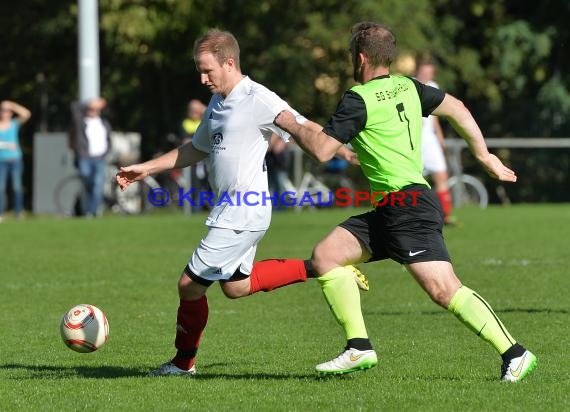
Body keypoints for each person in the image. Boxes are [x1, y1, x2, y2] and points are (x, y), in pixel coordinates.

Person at [274, 21, 536, 381]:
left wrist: (288, 121)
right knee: (326, 256)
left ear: (360, 57)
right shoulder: (409, 87)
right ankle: (358, 347)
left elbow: (320, 150)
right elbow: (457, 107)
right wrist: (484, 155)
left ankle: (515, 353)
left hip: (407, 206)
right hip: (394, 206)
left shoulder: (358, 98)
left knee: (444, 289)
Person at [116, 29, 366, 376]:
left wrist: (342, 149)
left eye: (208, 71)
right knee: (236, 287)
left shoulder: (257, 97)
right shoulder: (218, 102)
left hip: (242, 210)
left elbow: (299, 125)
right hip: (231, 209)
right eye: (199, 72)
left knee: (188, 286)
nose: (203, 79)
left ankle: (182, 363)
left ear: (229, 62)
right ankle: (320, 267)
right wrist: (146, 168)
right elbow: (196, 148)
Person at [415, 57, 454, 224]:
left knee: (441, 175)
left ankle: (446, 215)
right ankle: (414, 216)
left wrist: (439, 136)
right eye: (425, 71)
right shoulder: (408, 85)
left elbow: (435, 116)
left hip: (429, 139)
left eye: (430, 72)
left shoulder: (433, 87)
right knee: (414, 180)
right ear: (417, 70)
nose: (427, 75)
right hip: (415, 139)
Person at [69, 97, 112, 217]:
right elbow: (74, 106)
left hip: (100, 158)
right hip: (85, 158)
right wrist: (89, 104)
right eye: (91, 109)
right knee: (87, 184)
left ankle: (92, 212)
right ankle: (86, 209)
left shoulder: (103, 122)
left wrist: (106, 152)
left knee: (97, 185)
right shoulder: (81, 121)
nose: (92, 111)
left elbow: (108, 140)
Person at [0, 100, 31, 222]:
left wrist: (11, 105)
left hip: (15, 159)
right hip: (1, 161)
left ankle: (18, 212)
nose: (5, 113)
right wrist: (7, 145)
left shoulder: (14, 124)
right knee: (1, 188)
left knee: (17, 187)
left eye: (8, 111)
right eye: (3, 110)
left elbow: (26, 114)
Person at [179, 98, 210, 212]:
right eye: (192, 111)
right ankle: (193, 210)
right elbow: (185, 141)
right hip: (192, 162)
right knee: (193, 187)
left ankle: (207, 207)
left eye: (197, 111)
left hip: (206, 160)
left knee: (207, 186)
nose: (194, 114)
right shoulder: (186, 123)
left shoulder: (204, 121)